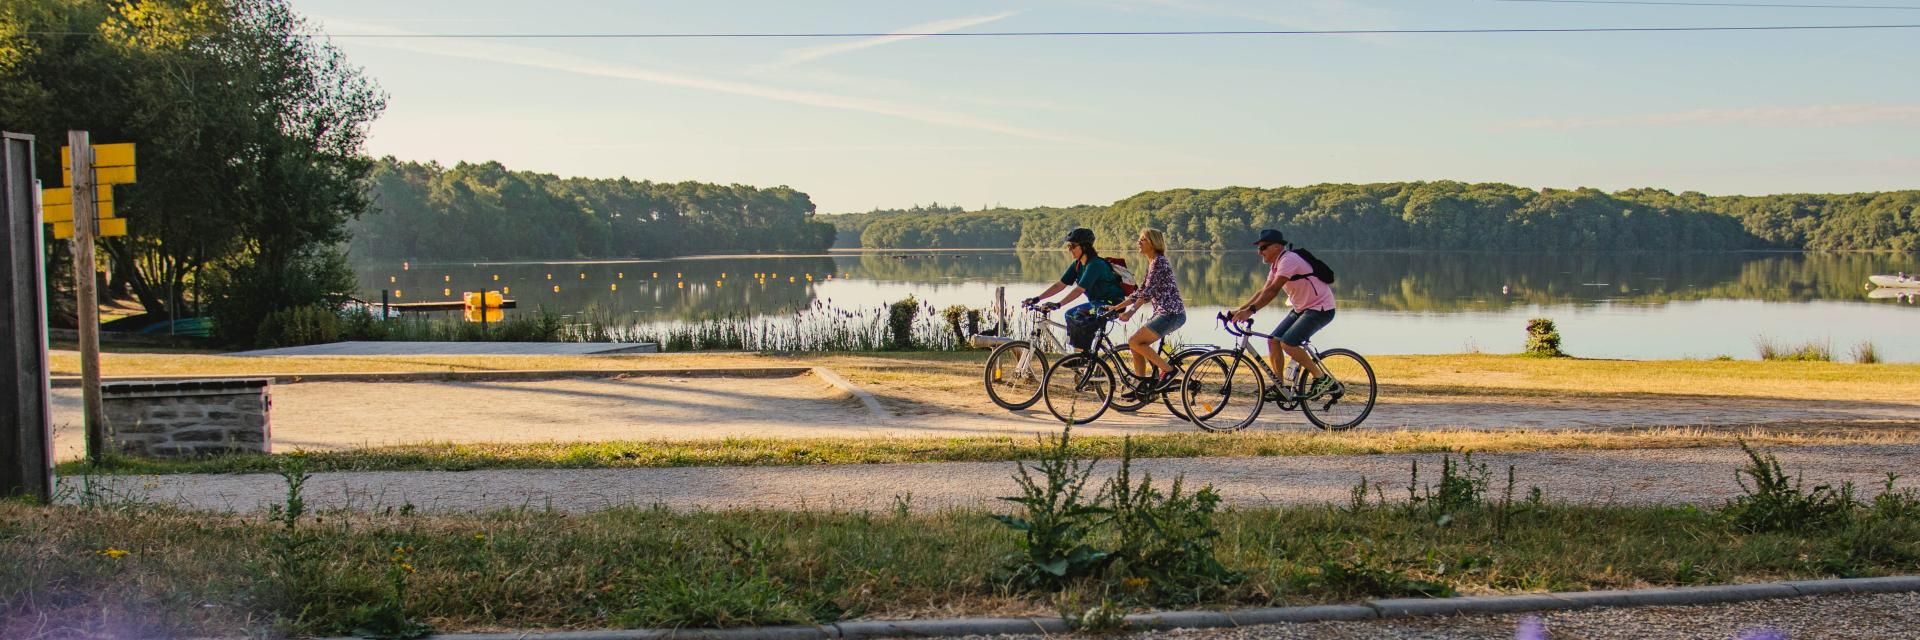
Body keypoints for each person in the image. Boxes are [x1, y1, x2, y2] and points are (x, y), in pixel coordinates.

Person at [1230, 229, 1337, 397]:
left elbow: (1273, 291)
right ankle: (1280, 388)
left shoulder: (1289, 260)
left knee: (1288, 343)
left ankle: (1321, 378)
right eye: (1258, 248)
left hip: (1320, 308)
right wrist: (1240, 310)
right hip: (1301, 308)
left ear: (1277, 247)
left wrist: (1250, 311)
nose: (1260, 252)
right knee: (1273, 341)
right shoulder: (1276, 265)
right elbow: (1262, 292)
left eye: (1263, 247)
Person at [1022, 227, 1126, 352]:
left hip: (1112, 304)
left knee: (1076, 314)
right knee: (1071, 315)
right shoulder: (1078, 264)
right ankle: (1084, 357)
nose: (1069, 249)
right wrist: (1037, 298)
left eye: (1072, 246)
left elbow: (1078, 290)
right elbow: (1060, 285)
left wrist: (1058, 304)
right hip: (1096, 303)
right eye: (1068, 246)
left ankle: (1082, 356)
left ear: (1084, 247)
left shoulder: (1095, 264)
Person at [1108, 229, 1185, 395]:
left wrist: (1130, 313)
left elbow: (1146, 294)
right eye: (1139, 239)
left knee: (1135, 341)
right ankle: (1141, 384)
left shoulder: (1159, 262)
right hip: (1165, 314)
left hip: (1171, 314)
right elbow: (1140, 291)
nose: (1139, 242)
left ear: (1153, 243)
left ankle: (1169, 371)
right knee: (1135, 343)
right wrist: (1117, 307)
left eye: (1142, 239)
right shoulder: (1153, 262)